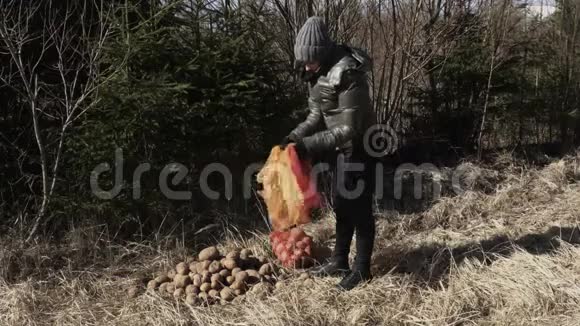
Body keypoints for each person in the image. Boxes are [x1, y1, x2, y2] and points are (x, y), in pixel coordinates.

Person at [280, 16, 376, 290]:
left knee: (359, 207)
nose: (307, 66)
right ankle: (339, 261)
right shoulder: (317, 72)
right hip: (336, 147)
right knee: (341, 203)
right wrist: (293, 138)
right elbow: (315, 116)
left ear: (322, 53)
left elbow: (349, 129)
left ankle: (362, 269)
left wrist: (308, 146)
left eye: (310, 60)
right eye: (304, 61)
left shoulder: (349, 73)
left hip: (359, 146)